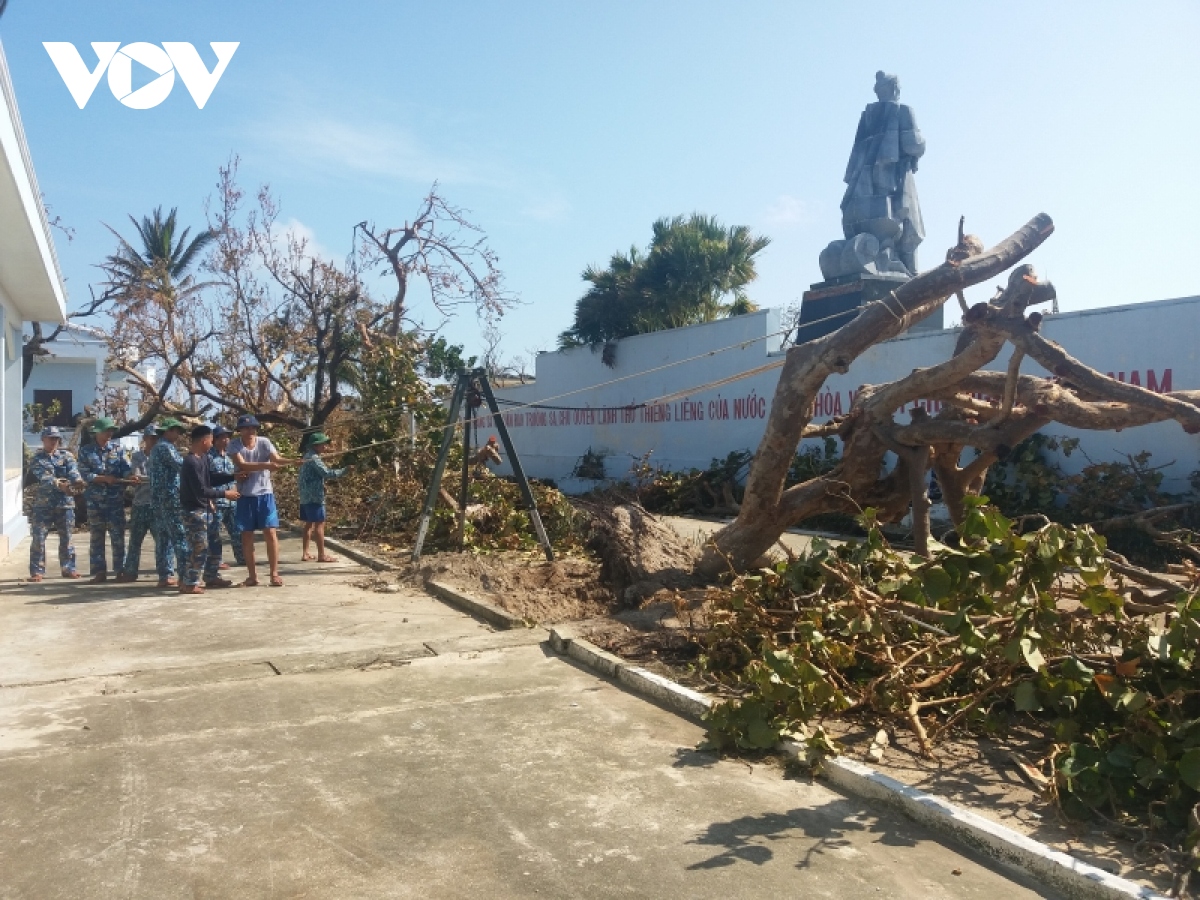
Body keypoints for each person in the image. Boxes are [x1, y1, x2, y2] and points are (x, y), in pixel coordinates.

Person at [229, 415, 300, 587]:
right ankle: (252, 576)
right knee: (247, 536)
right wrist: (266, 466)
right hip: (245, 496)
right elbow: (243, 464)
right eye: (246, 428)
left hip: (265, 494)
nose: (250, 431)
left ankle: (274, 574)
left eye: (253, 428)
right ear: (240, 430)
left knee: (271, 533)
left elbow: (276, 459)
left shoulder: (264, 442)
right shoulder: (234, 445)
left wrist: (293, 461)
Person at [179, 425, 240, 594]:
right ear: (204, 440)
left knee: (214, 543)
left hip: (207, 509)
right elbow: (201, 490)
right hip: (194, 510)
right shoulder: (191, 462)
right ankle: (189, 582)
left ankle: (211, 575)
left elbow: (210, 479)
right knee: (199, 546)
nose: (212, 444)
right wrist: (224, 494)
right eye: (211, 440)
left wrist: (232, 476)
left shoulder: (204, 458)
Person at [77, 416, 133, 583]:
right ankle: (98, 571)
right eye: (106, 430)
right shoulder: (86, 451)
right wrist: (103, 478)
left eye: (111, 430)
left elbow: (125, 468)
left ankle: (120, 570)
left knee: (118, 536)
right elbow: (84, 474)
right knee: (97, 536)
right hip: (95, 501)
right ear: (97, 432)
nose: (109, 433)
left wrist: (131, 476)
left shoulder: (118, 449)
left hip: (115, 500)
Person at [27, 426, 85, 582]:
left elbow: (73, 470)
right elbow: (43, 476)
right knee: (38, 538)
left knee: (67, 537)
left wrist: (77, 481)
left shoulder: (66, 456)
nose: (53, 441)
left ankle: (69, 568)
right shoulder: (37, 458)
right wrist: (60, 485)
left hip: (65, 504)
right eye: (50, 438)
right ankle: (37, 571)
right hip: (43, 505)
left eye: (56, 438)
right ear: (43, 439)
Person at [117, 426, 166, 583]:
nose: (153, 440)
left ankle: (166, 573)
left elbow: (164, 478)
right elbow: (136, 476)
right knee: (135, 540)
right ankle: (130, 571)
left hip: (158, 505)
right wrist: (145, 479)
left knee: (162, 541)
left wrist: (145, 479)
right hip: (140, 504)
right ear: (144, 439)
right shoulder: (138, 456)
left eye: (156, 438)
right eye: (150, 437)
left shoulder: (164, 456)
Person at [148, 418, 189, 588]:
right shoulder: (165, 447)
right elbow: (182, 467)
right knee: (179, 536)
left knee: (163, 537)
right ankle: (186, 577)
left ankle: (164, 575)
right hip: (170, 497)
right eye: (176, 431)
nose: (178, 434)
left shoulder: (157, 448)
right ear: (167, 431)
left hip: (158, 498)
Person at [298, 432, 347, 562]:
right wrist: (345, 470)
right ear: (316, 445)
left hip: (305, 496)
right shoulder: (314, 458)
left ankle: (306, 552)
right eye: (323, 444)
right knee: (319, 524)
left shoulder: (307, 456)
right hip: (314, 497)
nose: (325, 446)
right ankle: (321, 555)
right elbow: (326, 473)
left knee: (308, 523)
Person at [207, 425, 245, 567]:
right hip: (217, 500)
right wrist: (209, 500)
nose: (226, 439)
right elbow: (207, 480)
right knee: (214, 533)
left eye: (228, 436)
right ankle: (216, 561)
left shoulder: (230, 456)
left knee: (237, 531)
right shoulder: (208, 457)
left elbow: (234, 477)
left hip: (232, 501)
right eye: (223, 437)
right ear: (215, 439)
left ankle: (242, 557)